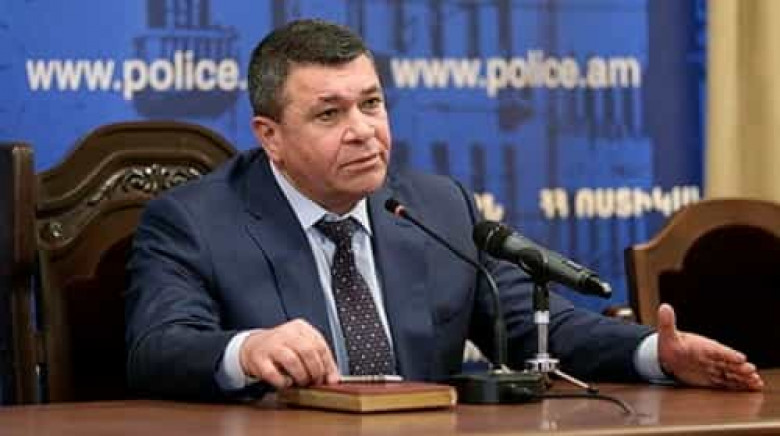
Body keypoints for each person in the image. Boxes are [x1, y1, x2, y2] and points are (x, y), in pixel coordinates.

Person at [125, 19, 763, 401]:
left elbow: (539, 329)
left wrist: (657, 354)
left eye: (371, 104)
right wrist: (247, 349)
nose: (363, 131)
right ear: (270, 136)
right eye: (329, 114)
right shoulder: (193, 221)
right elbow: (157, 348)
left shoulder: (436, 205)